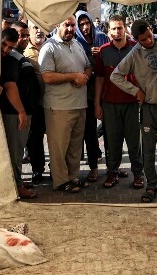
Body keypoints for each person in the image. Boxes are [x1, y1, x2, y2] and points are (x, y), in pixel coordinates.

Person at [110, 20, 157, 203]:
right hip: (149, 108)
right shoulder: (134, 54)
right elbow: (115, 76)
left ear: (152, 31)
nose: (148, 41)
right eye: (143, 40)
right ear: (136, 40)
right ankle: (151, 186)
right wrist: (135, 91)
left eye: (149, 36)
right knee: (148, 150)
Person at [38, 15, 92, 193]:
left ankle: (72, 176)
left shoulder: (77, 44)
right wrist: (73, 76)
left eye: (73, 25)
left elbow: (88, 66)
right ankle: (60, 181)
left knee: (75, 146)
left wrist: (84, 77)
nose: (70, 29)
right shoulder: (49, 47)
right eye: (66, 25)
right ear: (57, 25)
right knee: (59, 148)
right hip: (59, 107)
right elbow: (47, 76)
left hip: (79, 104)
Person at [94, 16, 142, 189]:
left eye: (119, 28)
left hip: (131, 102)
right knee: (113, 141)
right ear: (108, 31)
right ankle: (112, 173)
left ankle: (138, 175)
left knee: (134, 142)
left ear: (125, 29)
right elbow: (99, 79)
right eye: (113, 29)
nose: (117, 32)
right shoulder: (103, 51)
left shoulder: (136, 48)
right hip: (110, 103)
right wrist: (97, 104)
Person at [0, 28, 37, 199]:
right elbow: (10, 86)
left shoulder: (13, 57)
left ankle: (16, 182)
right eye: (4, 45)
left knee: (17, 151)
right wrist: (21, 111)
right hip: (14, 113)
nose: (6, 49)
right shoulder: (10, 60)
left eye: (10, 47)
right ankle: (17, 186)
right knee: (15, 152)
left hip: (20, 111)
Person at [75, 9, 110, 183]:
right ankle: (93, 167)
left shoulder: (102, 37)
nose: (85, 27)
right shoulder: (76, 42)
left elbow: (111, 58)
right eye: (81, 24)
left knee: (110, 130)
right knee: (89, 131)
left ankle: (113, 167)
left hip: (106, 90)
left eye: (86, 23)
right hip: (86, 93)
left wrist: (101, 54)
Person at [23, 20, 48, 184]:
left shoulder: (53, 46)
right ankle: (37, 169)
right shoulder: (24, 52)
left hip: (54, 101)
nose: (39, 31)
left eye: (41, 27)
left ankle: (58, 168)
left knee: (56, 138)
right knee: (35, 139)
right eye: (35, 27)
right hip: (36, 104)